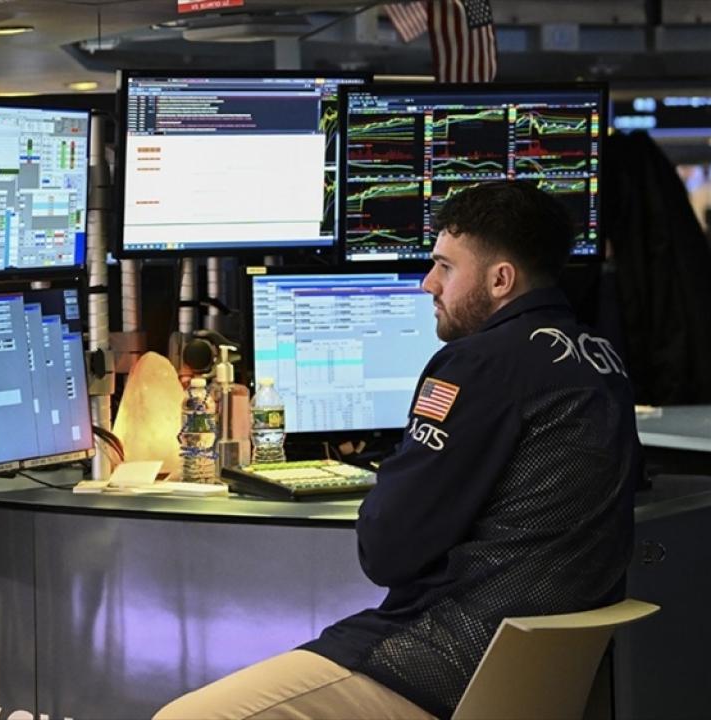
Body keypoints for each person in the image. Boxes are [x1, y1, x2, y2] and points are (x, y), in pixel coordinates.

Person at [154, 181, 640, 720]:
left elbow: (386, 549)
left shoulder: (480, 362)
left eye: (445, 267)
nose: (428, 283)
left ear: (501, 279)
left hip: (445, 661)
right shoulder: (601, 359)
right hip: (536, 673)